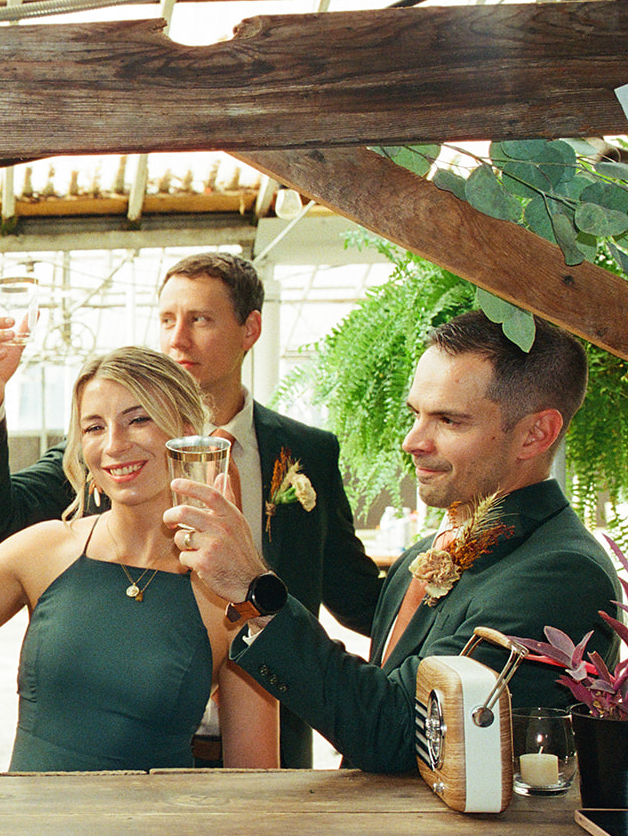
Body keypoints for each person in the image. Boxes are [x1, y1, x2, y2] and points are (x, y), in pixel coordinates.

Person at [0, 252, 380, 768]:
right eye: (166, 320)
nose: (177, 338)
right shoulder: (112, 450)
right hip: (130, 746)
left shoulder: (306, 452)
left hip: (266, 736)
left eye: (199, 319)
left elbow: (354, 593)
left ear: (251, 329)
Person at [170, 311, 618, 773]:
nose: (412, 440)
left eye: (448, 420)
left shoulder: (562, 575)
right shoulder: (420, 556)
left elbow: (410, 735)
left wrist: (256, 587)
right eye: (416, 414)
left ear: (535, 434)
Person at [0, 345, 280, 772]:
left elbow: (255, 779)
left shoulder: (230, 592)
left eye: (138, 419)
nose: (114, 444)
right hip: (33, 831)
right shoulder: (44, 550)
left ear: (186, 431)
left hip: (156, 835)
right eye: (94, 427)